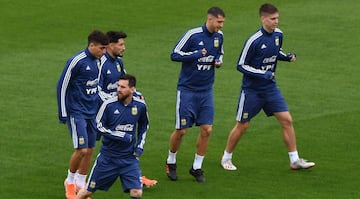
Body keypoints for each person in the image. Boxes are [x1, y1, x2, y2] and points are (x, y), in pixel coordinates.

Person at [220, 3, 315, 171]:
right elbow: (241, 65)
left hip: (270, 89)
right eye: (272, 19)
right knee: (243, 125)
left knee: (287, 120)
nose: (276, 22)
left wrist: (286, 57)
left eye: (277, 18)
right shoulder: (254, 40)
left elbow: (275, 51)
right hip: (252, 91)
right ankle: (226, 157)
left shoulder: (278, 34)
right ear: (263, 19)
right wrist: (261, 73)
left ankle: (294, 160)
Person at [165, 6, 225, 183]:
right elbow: (174, 55)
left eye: (223, 22)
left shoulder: (219, 37)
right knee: (182, 130)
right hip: (187, 90)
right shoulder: (192, 35)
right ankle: (171, 161)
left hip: (206, 91)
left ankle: (197, 167)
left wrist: (218, 61)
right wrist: (196, 54)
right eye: (219, 22)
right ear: (210, 19)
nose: (221, 26)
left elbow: (219, 53)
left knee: (207, 129)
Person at [74, 74, 149, 199]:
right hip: (108, 158)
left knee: (137, 192)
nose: (119, 89)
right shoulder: (109, 105)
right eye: (118, 86)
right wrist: (120, 135)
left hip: (129, 158)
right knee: (88, 190)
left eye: (123, 87)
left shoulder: (140, 106)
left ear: (132, 89)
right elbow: (99, 125)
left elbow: (144, 125)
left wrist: (140, 146)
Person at [98, 30, 157, 187]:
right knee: (89, 149)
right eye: (121, 44)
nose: (124, 47)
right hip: (102, 111)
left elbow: (126, 81)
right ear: (110, 45)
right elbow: (97, 90)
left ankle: (134, 176)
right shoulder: (101, 63)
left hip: (118, 106)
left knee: (127, 137)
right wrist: (113, 101)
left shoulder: (118, 62)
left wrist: (137, 94)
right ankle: (75, 182)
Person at [57, 30, 109, 199]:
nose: (103, 52)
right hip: (77, 111)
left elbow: (96, 86)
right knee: (81, 150)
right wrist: (63, 112)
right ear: (91, 45)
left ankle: (81, 183)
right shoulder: (76, 61)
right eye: (101, 48)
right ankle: (70, 182)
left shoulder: (100, 61)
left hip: (91, 112)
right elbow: (62, 86)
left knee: (91, 149)